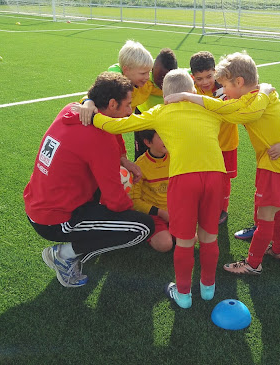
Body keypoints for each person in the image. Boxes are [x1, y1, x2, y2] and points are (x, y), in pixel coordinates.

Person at [88, 69, 274, 308]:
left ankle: (184, 295)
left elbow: (116, 126)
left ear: (166, 95)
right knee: (209, 238)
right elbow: (243, 111)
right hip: (216, 176)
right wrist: (265, 92)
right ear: (193, 90)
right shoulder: (210, 106)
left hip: (184, 179)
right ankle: (208, 289)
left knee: (185, 241)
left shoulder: (160, 111)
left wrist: (91, 108)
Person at [165, 51, 280, 275]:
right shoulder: (262, 95)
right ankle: (278, 250)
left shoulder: (255, 104)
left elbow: (225, 110)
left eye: (225, 86)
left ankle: (253, 264)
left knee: (266, 216)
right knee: (275, 209)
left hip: (274, 166)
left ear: (239, 82)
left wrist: (188, 97)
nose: (224, 92)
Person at [23, 72, 155, 288]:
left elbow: (110, 128)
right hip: (55, 220)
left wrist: (123, 159)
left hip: (37, 204)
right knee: (141, 227)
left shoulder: (71, 109)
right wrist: (134, 210)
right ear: (112, 104)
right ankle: (64, 255)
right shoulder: (100, 141)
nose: (131, 111)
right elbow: (116, 200)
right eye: (128, 105)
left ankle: (83, 238)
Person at [77, 40, 158, 183]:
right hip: (101, 129)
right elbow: (95, 95)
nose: (147, 76)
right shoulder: (114, 85)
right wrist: (87, 101)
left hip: (116, 125)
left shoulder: (147, 81)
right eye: (143, 73)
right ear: (126, 71)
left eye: (149, 72)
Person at [233, 106, 280, 256]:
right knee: (263, 190)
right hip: (268, 152)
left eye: (227, 86)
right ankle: (260, 226)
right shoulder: (237, 101)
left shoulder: (266, 103)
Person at [190, 51, 237, 225]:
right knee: (204, 176)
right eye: (199, 78)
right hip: (203, 144)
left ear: (215, 72)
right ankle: (204, 204)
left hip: (226, 143)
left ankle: (222, 208)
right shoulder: (190, 88)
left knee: (224, 179)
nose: (205, 82)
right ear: (192, 76)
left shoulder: (226, 87)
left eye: (209, 76)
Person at [132, 130, 173, 253]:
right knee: (165, 245)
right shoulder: (140, 165)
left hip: (174, 211)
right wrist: (160, 212)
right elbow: (134, 201)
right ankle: (145, 230)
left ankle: (169, 231)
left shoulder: (175, 158)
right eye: (161, 137)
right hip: (154, 214)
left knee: (192, 240)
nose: (166, 139)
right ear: (148, 142)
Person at [135, 48, 178, 159]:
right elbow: (116, 67)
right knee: (142, 151)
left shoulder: (178, 78)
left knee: (165, 151)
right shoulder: (145, 73)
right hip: (143, 115)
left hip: (163, 117)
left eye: (166, 79)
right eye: (158, 78)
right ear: (152, 70)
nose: (162, 83)